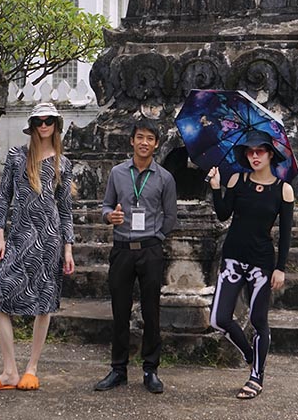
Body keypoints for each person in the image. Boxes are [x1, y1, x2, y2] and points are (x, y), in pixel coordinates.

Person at [0, 101, 75, 393]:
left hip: (49, 240)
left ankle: (31, 368)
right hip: (19, 237)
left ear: (56, 124)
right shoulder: (18, 157)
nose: (44, 126)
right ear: (31, 125)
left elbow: (65, 209)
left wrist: (68, 248)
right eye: (39, 121)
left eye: (49, 121)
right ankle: (9, 371)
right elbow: (4, 197)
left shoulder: (63, 164)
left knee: (44, 304)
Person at [206, 129, 294, 400]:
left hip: (261, 263)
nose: (255, 156)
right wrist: (216, 186)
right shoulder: (237, 179)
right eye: (250, 151)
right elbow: (223, 214)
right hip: (233, 258)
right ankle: (248, 353)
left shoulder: (284, 190)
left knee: (258, 320)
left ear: (270, 155)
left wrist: (280, 268)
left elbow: (287, 233)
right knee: (218, 319)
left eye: (260, 151)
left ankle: (256, 375)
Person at [94, 118, 178, 395]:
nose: (144, 143)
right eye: (139, 137)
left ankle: (150, 369)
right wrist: (110, 216)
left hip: (150, 251)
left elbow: (170, 216)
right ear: (132, 141)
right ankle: (118, 369)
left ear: (156, 144)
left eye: (150, 139)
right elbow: (106, 205)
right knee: (120, 310)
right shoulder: (118, 173)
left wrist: (158, 239)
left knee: (151, 311)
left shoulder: (165, 178)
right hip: (122, 249)